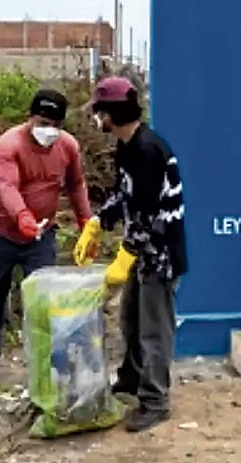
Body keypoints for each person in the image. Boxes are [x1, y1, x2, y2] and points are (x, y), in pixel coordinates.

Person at [74, 76, 187, 433]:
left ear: (114, 113)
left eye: (100, 112)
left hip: (160, 254)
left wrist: (125, 255)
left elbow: (148, 214)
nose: (97, 119)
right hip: (142, 252)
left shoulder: (149, 151)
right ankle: (131, 379)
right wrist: (98, 221)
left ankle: (155, 401)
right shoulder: (127, 147)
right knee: (130, 320)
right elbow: (125, 196)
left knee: (154, 330)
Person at [0, 88, 95, 364]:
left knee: (43, 297)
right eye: (42, 123)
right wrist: (22, 216)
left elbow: (76, 185)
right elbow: (6, 185)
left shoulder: (67, 147)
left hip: (42, 234)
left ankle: (45, 356)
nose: (48, 130)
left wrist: (86, 222)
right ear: (30, 118)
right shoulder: (9, 145)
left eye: (54, 126)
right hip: (2, 232)